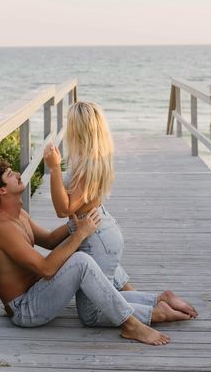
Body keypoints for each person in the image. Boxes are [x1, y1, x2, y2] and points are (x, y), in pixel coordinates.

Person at [0, 159, 180, 346]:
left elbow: (49, 240)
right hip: (26, 309)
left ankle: (155, 300)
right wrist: (80, 234)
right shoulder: (2, 227)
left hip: (38, 293)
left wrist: (78, 224)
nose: (18, 174)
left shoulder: (19, 215)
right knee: (81, 259)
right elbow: (46, 269)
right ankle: (133, 323)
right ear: (1, 191)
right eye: (10, 175)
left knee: (90, 247)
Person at [43, 101, 198, 326]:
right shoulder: (93, 158)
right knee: (104, 294)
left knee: (92, 313)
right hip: (101, 229)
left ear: (79, 129)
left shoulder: (87, 166)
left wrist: (54, 168)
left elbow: (64, 209)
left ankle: (158, 313)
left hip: (96, 239)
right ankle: (158, 299)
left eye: (70, 124)